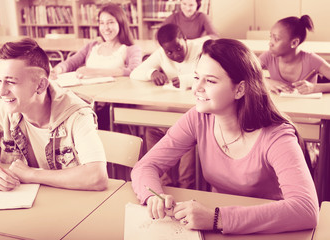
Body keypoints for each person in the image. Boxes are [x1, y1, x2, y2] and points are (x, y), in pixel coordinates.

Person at [131, 38, 319, 234]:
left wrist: (217, 218)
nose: (197, 88)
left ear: (240, 89)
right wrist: (153, 196)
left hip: (269, 230)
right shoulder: (198, 118)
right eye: (196, 77)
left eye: (210, 81)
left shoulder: (277, 136)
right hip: (216, 228)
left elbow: (305, 208)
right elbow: (146, 165)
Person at [0, 38, 108, 192]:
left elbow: (97, 177)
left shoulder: (77, 115)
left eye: (11, 82)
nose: (1, 91)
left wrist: (32, 175)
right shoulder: (3, 110)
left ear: (41, 85)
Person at [130, 23, 209, 189]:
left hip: (193, 117)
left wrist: (186, 80)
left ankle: (186, 187)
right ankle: (163, 184)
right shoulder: (161, 54)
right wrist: (152, 72)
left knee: (187, 145)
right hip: (170, 113)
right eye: (169, 52)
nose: (175, 54)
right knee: (151, 129)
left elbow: (210, 75)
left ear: (185, 39)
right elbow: (135, 73)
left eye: (179, 48)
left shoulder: (202, 50)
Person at [51, 3, 142, 79]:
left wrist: (93, 71)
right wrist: (57, 70)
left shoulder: (131, 49)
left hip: (112, 97)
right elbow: (70, 63)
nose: (106, 28)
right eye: (102, 23)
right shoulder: (92, 46)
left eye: (110, 22)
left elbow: (134, 71)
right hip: (89, 96)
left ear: (121, 23)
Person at [259, 15, 330, 94]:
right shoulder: (268, 56)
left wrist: (314, 87)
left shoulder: (311, 60)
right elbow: (244, 74)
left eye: (276, 39)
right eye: (270, 37)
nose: (270, 43)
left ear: (294, 43)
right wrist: (266, 82)